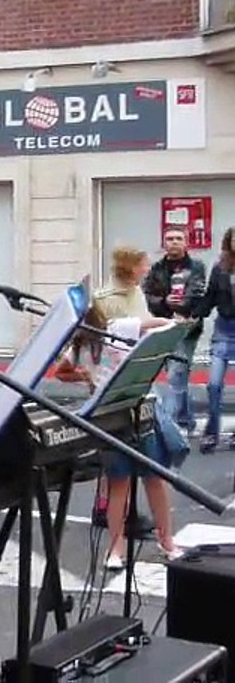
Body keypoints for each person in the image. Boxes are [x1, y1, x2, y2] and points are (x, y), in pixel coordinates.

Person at [55, 302, 183, 568]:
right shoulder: (78, 349)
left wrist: (169, 331)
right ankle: (116, 547)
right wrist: (82, 376)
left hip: (140, 410)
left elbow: (156, 323)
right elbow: (60, 372)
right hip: (110, 417)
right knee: (119, 483)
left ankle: (166, 540)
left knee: (154, 478)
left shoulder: (117, 329)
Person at [90, 246, 156, 531]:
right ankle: (110, 509)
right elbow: (116, 332)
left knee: (124, 448)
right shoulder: (107, 299)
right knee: (115, 450)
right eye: (144, 263)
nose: (148, 268)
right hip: (110, 377)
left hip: (132, 373)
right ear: (132, 266)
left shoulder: (136, 292)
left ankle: (119, 508)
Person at [143, 227, 207, 433]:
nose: (174, 242)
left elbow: (195, 294)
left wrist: (177, 305)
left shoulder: (196, 267)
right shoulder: (156, 269)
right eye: (169, 239)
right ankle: (186, 419)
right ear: (164, 243)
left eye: (178, 238)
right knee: (179, 374)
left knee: (175, 375)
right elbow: (146, 295)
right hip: (163, 325)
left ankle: (167, 426)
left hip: (187, 327)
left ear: (186, 242)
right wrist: (164, 301)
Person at [192, 226, 235, 452]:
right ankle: (212, 432)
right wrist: (192, 315)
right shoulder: (220, 268)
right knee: (214, 384)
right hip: (224, 331)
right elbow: (209, 298)